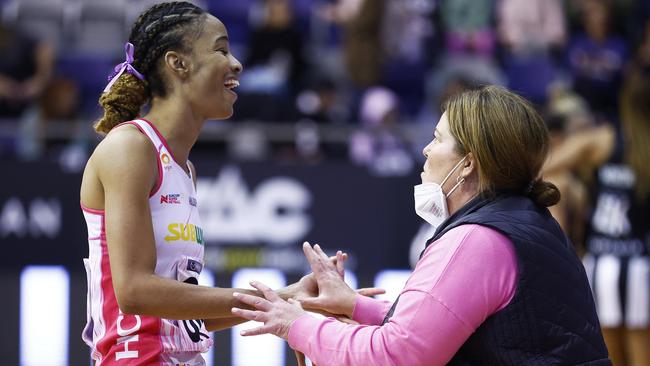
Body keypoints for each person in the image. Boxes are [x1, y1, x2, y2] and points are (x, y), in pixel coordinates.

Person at [230, 86, 611, 365]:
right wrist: (355, 306)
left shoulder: (476, 240)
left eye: (437, 138)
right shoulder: (522, 219)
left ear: (468, 163)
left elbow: (398, 356)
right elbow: (457, 328)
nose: (426, 150)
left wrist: (295, 324)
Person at [79, 2, 320, 364]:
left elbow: (185, 312)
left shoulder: (184, 168)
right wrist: (271, 301)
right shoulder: (130, 147)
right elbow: (134, 291)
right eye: (221, 49)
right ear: (178, 63)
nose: (236, 63)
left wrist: (290, 300)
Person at [544, 36, 650, 366]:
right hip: (640, 263)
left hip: (602, 260)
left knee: (609, 354)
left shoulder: (601, 141)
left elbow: (543, 168)